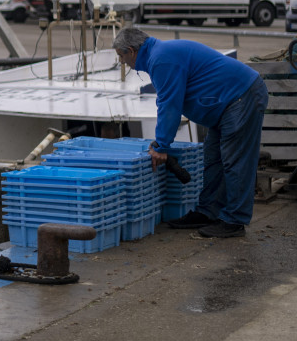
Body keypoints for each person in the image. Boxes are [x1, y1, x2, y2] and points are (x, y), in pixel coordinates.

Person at [113, 27, 268, 238]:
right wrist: (161, 143)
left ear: (131, 51)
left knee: (235, 161)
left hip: (241, 96)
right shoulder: (159, 54)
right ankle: (208, 212)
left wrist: (162, 145)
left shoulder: (161, 59)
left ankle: (234, 220)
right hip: (226, 103)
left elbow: (169, 104)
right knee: (213, 159)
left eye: (121, 56)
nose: (122, 62)